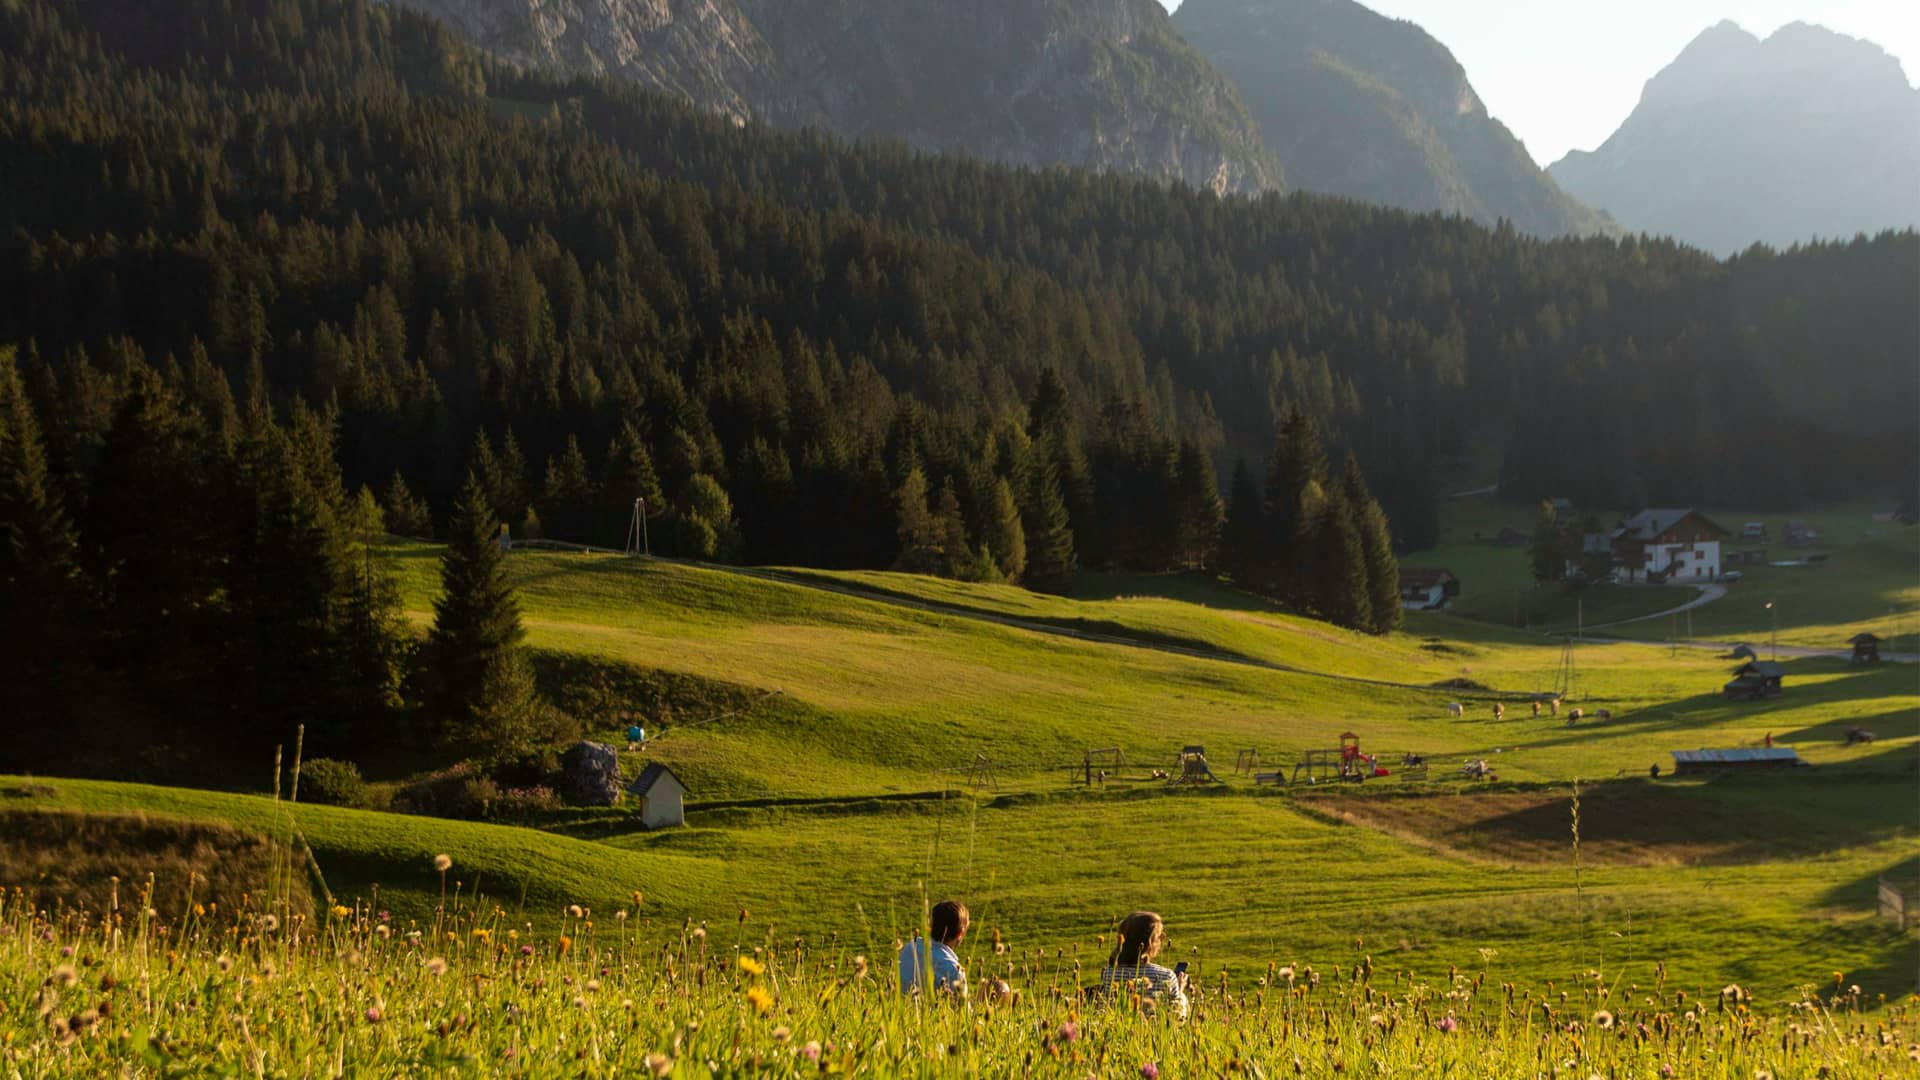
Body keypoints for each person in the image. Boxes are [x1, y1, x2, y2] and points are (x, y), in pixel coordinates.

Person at [1100, 911, 1189, 1020]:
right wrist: (1180, 991)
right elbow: (1178, 1017)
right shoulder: (1166, 976)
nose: (1162, 940)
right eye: (1159, 936)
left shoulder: (1109, 974)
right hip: (1157, 1030)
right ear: (1150, 943)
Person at [898, 899, 969, 996]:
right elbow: (962, 1005)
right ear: (959, 934)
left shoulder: (910, 947)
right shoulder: (953, 971)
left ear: (931, 925)